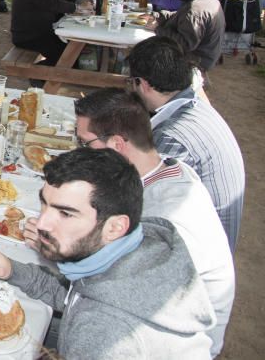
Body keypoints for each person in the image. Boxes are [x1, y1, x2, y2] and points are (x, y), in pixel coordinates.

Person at [0, 148, 215, 360]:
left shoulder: (104, 334)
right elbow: (79, 293)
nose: (42, 224)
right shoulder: (140, 243)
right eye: (45, 205)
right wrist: (16, 272)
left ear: (115, 226)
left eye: (65, 213)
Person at [70, 88, 233, 355]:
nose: (80, 153)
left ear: (117, 145)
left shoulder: (163, 221)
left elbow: (109, 299)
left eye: (85, 144)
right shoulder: (168, 170)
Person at [126, 36, 244, 251]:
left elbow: (137, 198)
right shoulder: (194, 104)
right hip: (206, 239)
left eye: (131, 82)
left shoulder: (173, 136)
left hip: (197, 256)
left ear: (142, 84)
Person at [143, 0, 224, 72]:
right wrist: (158, 16)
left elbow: (185, 44)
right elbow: (179, 16)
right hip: (204, 55)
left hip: (196, 60)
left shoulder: (195, 8)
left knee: (145, 53)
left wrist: (158, 29)